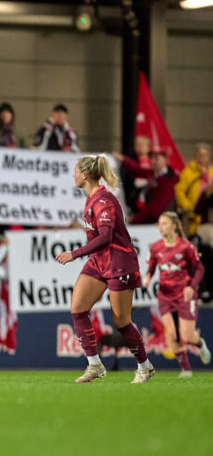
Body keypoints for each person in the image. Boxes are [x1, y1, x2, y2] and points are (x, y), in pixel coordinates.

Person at [56, 155, 155, 383]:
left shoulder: (103, 200)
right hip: (99, 261)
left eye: (75, 171)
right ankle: (95, 365)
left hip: (120, 262)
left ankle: (145, 366)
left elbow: (106, 237)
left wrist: (75, 253)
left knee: (121, 321)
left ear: (84, 175)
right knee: (78, 309)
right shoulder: (91, 198)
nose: (72, 175)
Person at [143, 212, 211, 377]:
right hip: (165, 296)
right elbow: (152, 267)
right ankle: (186, 370)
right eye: (159, 224)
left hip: (185, 295)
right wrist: (147, 277)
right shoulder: (155, 247)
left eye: (164, 223)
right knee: (172, 334)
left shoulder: (186, 247)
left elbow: (199, 268)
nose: (161, 227)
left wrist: (191, 287)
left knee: (187, 336)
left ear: (174, 226)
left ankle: (200, 344)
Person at [128, 148, 178, 225]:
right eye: (151, 158)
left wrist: (134, 219)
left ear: (165, 160)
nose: (152, 161)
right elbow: (138, 170)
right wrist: (123, 159)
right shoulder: (155, 175)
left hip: (155, 224)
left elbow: (154, 211)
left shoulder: (166, 182)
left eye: (156, 158)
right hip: (144, 217)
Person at [175, 143, 213, 235]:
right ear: (196, 156)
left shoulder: (211, 173)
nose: (203, 157)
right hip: (193, 217)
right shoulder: (188, 172)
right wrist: (188, 206)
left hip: (208, 217)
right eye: (200, 155)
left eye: (205, 155)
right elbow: (179, 191)